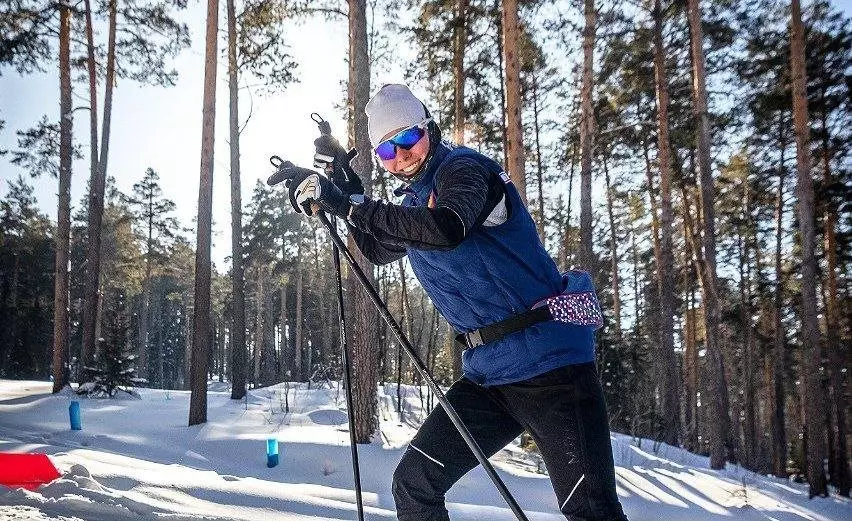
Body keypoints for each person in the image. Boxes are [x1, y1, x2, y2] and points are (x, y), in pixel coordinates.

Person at [278, 84, 628, 521]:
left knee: (592, 512)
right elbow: (378, 249)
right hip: (489, 379)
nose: (402, 155)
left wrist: (351, 206)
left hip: (553, 368)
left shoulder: (465, 170)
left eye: (408, 138)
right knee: (413, 485)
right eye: (387, 151)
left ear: (430, 127)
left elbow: (446, 227)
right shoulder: (409, 204)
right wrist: (343, 192)